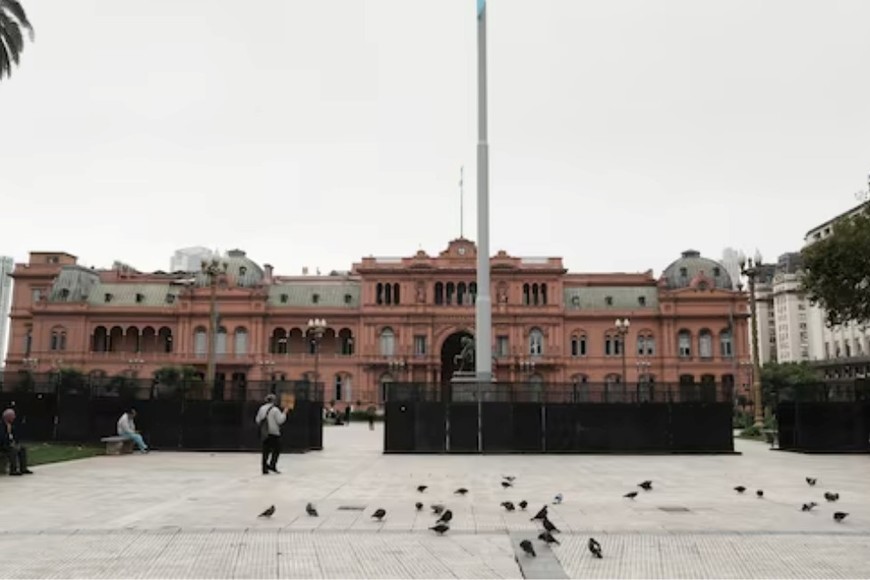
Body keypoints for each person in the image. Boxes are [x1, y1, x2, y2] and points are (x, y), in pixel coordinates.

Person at [256, 394, 289, 475]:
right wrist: (285, 412)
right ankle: (272, 465)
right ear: (274, 401)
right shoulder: (275, 410)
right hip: (274, 433)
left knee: (265, 451)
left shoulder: (261, 408)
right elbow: (280, 420)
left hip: (265, 433)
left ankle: (264, 468)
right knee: (277, 449)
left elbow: (257, 420)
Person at [1, 408, 33, 476]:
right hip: (3, 445)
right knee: (13, 450)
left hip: (9, 444)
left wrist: (16, 443)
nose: (14, 417)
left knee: (22, 448)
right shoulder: (1, 425)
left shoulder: (12, 426)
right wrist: (9, 443)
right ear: (7, 417)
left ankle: (23, 468)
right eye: (13, 416)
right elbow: (2, 438)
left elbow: (14, 436)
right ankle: (13, 469)